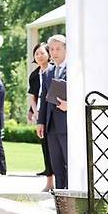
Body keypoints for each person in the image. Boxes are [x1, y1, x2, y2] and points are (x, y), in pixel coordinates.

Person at [37, 35, 68, 189]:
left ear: (66, 49)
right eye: (52, 49)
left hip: (67, 125)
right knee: (56, 164)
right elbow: (43, 99)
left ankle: (70, 197)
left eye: (58, 49)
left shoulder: (73, 69)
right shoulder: (48, 72)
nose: (54, 52)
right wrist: (40, 122)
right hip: (51, 126)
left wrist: (70, 105)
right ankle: (61, 197)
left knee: (69, 162)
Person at [28, 43, 54, 191]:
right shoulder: (34, 75)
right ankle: (49, 182)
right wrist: (34, 112)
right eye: (36, 53)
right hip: (41, 116)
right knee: (45, 148)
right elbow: (32, 96)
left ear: (48, 54)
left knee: (56, 148)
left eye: (42, 53)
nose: (39, 56)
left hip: (54, 113)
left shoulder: (54, 71)